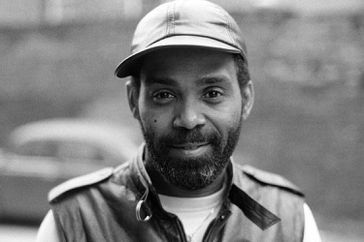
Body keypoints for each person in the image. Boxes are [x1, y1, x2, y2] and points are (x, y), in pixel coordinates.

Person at [37, 1, 321, 241]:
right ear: (134, 101)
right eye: (164, 95)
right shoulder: (76, 220)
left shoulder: (287, 221)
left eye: (212, 93)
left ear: (246, 99)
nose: (188, 119)